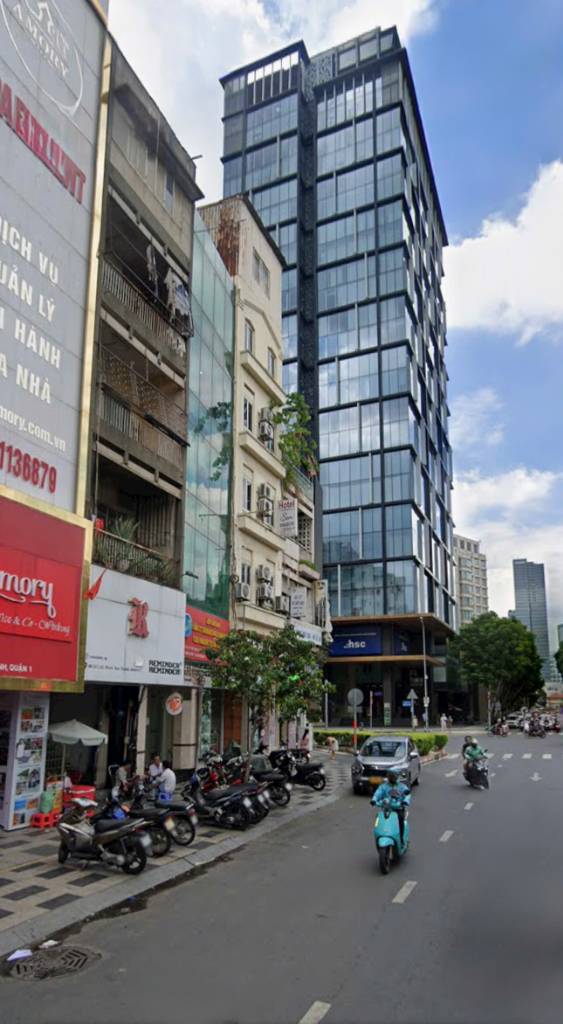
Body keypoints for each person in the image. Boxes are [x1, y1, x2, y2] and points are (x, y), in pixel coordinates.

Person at [371, 771, 410, 844]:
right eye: (390, 776)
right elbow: (378, 793)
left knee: (400, 819)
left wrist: (405, 801)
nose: (391, 778)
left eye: (393, 776)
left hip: (398, 809)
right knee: (379, 818)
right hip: (386, 809)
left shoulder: (401, 786)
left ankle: (401, 838)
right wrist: (374, 800)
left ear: (396, 776)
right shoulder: (383, 786)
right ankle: (382, 833)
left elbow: (407, 794)